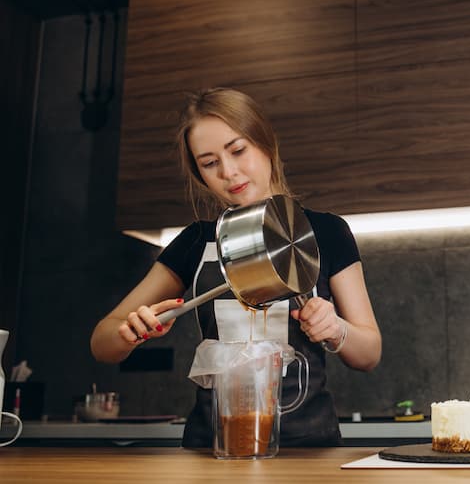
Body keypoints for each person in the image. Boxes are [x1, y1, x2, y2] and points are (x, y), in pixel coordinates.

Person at [91, 87, 382, 447]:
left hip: (309, 450)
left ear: (267, 144)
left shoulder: (326, 231)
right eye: (210, 163)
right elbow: (102, 343)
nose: (229, 172)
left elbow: (369, 353)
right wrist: (129, 331)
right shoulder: (195, 241)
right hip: (212, 449)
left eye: (238, 150)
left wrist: (337, 329)